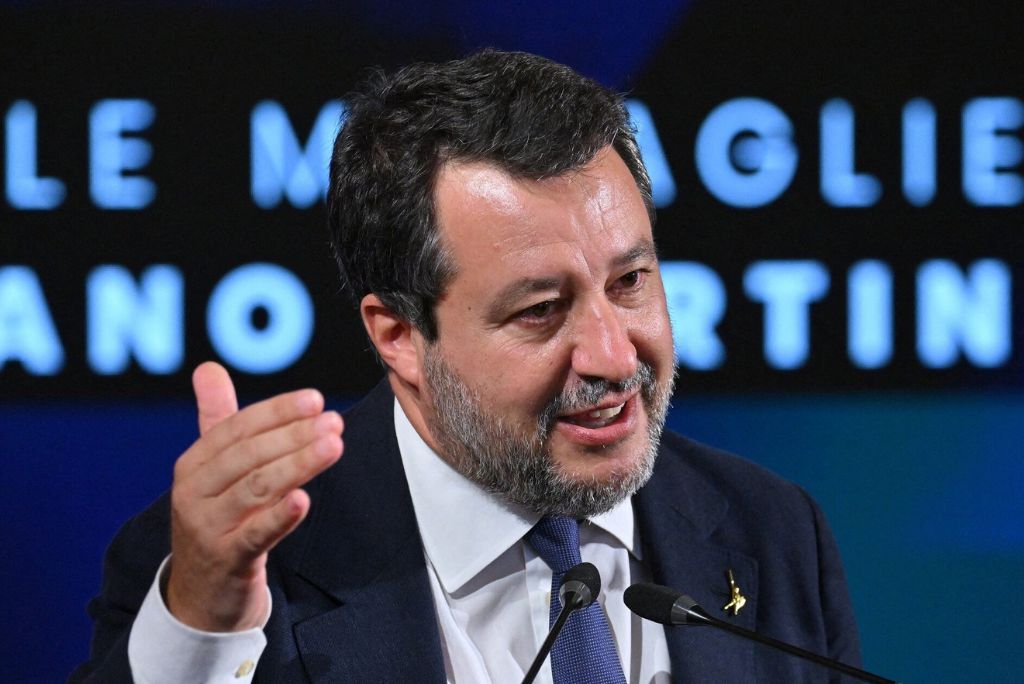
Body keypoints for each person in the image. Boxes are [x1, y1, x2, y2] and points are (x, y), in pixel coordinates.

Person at [72, 50, 861, 683]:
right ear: (399, 336)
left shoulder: (770, 530)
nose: (614, 354)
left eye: (630, 282)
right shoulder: (236, 575)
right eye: (539, 311)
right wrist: (203, 635)